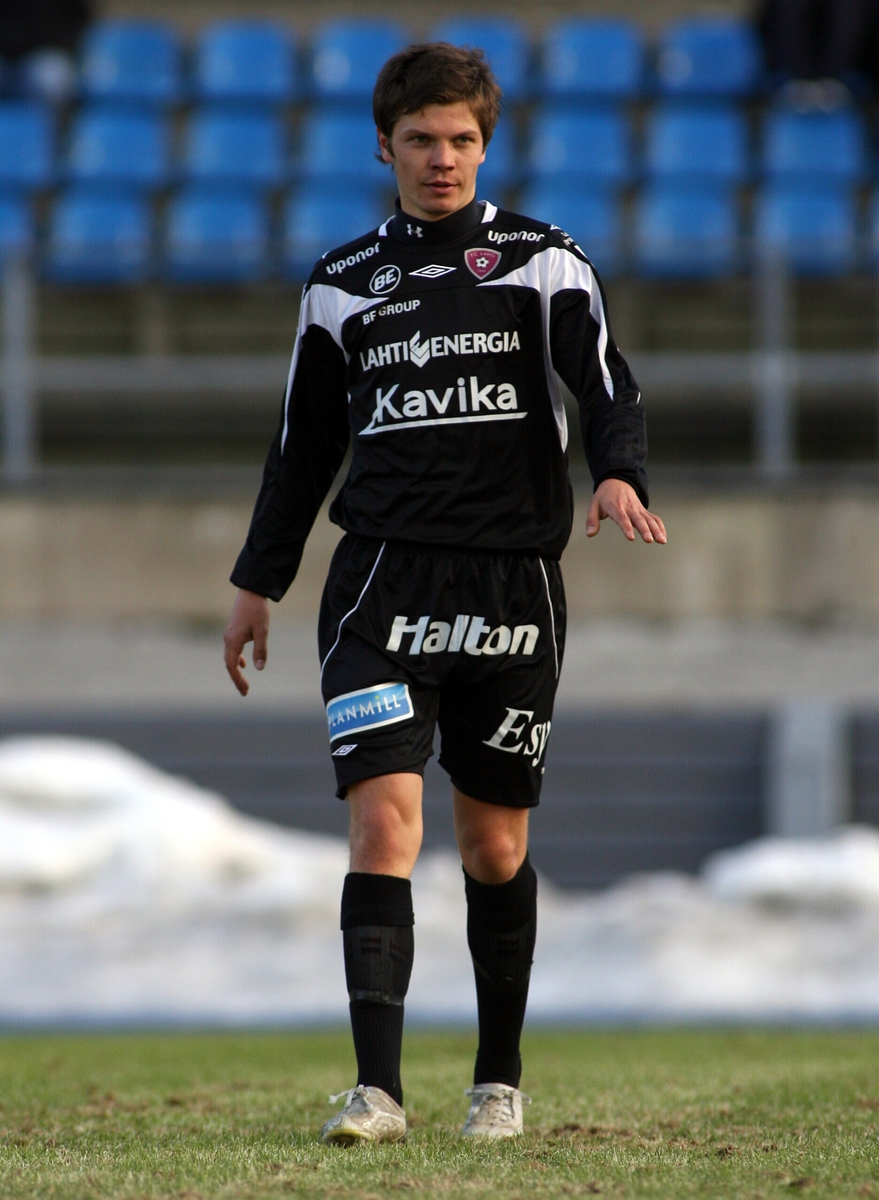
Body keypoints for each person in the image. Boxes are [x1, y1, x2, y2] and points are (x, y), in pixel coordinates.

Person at [224, 42, 665, 1144]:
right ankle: (376, 1091)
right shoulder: (341, 284)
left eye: (461, 139)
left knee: (493, 848)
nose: (441, 159)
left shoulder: (542, 262)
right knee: (383, 823)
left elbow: (607, 386)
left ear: (485, 144)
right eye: (420, 139)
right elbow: (301, 446)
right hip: (379, 583)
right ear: (385, 147)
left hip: (512, 588)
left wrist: (618, 472)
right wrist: (257, 582)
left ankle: (496, 1082)